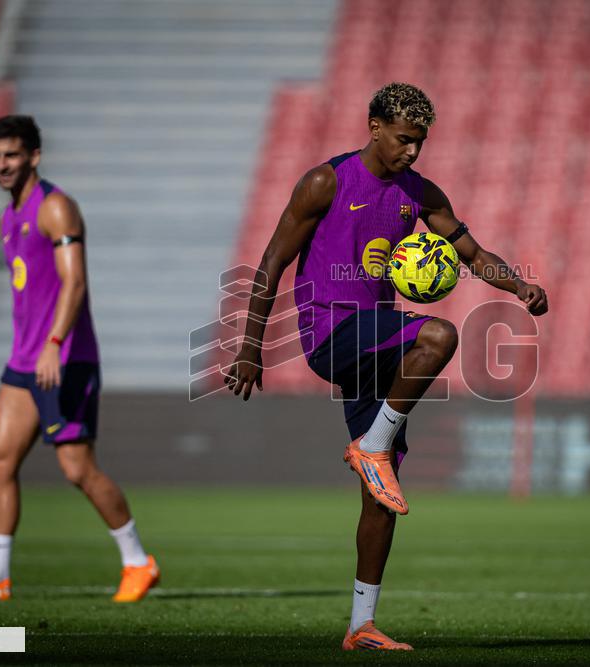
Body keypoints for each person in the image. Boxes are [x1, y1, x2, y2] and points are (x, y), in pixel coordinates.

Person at [225, 83, 548, 649]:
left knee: (383, 493)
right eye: (404, 140)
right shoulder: (327, 181)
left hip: (377, 342)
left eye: (420, 143)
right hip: (328, 330)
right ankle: (373, 447)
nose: (412, 152)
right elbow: (273, 260)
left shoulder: (420, 194)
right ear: (374, 126)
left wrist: (518, 285)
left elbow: (471, 255)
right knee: (440, 333)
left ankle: (361, 626)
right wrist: (249, 347)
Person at [0, 115, 159, 603]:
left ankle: (139, 562)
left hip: (65, 358)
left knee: (78, 471)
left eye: (12, 155)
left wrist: (55, 343)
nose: (2, 165)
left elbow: (74, 282)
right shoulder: (7, 215)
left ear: (34, 156)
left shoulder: (55, 208)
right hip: (24, 362)